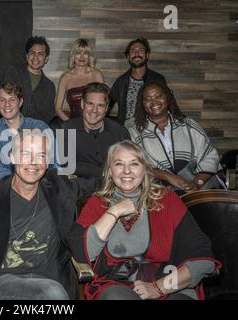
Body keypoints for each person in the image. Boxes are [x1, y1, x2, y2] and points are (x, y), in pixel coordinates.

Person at [0, 129, 99, 300]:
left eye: (41, 156)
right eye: (26, 154)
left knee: (52, 294)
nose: (33, 163)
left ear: (48, 161)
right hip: (2, 283)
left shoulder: (59, 188)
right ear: (12, 157)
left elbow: (100, 180)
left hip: (51, 281)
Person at [70, 140, 221, 300]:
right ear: (109, 171)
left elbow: (203, 259)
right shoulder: (97, 203)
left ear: (145, 170)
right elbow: (84, 254)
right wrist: (114, 211)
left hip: (168, 285)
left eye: (134, 164)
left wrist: (158, 288)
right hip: (117, 285)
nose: (126, 171)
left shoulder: (168, 201)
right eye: (119, 164)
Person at [127, 82, 221, 193]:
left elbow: (210, 156)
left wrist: (197, 183)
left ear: (167, 98)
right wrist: (167, 176)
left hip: (198, 189)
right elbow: (134, 165)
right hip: (158, 192)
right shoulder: (134, 132)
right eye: (148, 99)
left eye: (158, 96)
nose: (154, 102)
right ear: (142, 103)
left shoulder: (188, 125)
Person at [61, 82, 130, 178]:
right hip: (78, 186)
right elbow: (66, 165)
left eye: (100, 105)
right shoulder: (65, 128)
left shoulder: (120, 132)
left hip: (112, 185)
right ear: (82, 104)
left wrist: (81, 168)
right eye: (90, 104)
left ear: (106, 108)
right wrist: (102, 172)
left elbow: (126, 163)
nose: (94, 110)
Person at [0, 82, 51, 178]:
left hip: (38, 180)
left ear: (20, 102)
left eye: (12, 100)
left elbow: (53, 160)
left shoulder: (39, 126)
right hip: (8, 183)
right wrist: (16, 181)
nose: (7, 104)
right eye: (2, 100)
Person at [109, 38, 167, 125]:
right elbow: (107, 104)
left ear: (147, 55)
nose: (136, 54)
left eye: (140, 50)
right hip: (127, 130)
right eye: (133, 51)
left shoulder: (158, 79)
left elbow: (168, 104)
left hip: (152, 128)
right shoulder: (121, 81)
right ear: (128, 57)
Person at [2, 36, 56, 126]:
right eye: (32, 53)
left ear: (46, 59)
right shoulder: (13, 73)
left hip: (36, 130)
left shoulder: (49, 86)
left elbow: (47, 114)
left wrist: (32, 128)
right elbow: (7, 101)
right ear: (27, 56)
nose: (35, 57)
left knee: (67, 133)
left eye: (40, 54)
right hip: (11, 126)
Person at [55, 38, 105, 121]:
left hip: (95, 123)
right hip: (72, 122)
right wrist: (69, 123)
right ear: (73, 56)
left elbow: (105, 102)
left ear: (89, 56)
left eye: (85, 53)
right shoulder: (65, 77)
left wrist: (95, 122)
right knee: (60, 132)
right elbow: (57, 108)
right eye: (78, 53)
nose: (82, 56)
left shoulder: (96, 74)